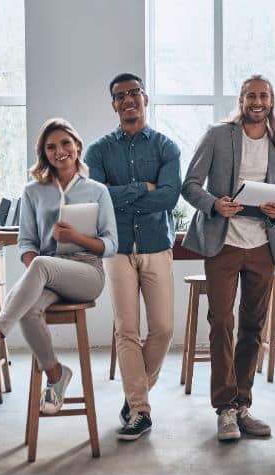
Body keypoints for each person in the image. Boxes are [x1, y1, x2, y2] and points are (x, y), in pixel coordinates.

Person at [0, 118, 118, 416]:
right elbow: (26, 243)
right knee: (27, 309)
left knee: (40, 266)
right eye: (51, 147)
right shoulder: (33, 192)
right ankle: (56, 375)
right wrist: (35, 269)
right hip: (47, 273)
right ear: (44, 154)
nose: (59, 151)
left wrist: (75, 238)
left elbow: (111, 244)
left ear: (77, 146)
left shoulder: (97, 191)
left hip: (87, 273)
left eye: (65, 143)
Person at [181, 75, 275, 442]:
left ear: (271, 101)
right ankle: (224, 408)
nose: (257, 102)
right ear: (241, 100)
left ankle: (242, 404)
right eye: (251, 96)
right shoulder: (218, 135)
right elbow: (190, 185)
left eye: (263, 96)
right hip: (224, 241)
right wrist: (215, 204)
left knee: (253, 325)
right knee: (221, 322)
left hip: (262, 244)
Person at [84, 73, 181, 441]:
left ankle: (133, 394)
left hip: (156, 245)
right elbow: (97, 199)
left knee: (163, 329)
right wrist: (144, 187)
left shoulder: (166, 147)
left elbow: (169, 197)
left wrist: (121, 194)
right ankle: (140, 410)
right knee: (126, 329)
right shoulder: (97, 151)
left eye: (134, 93)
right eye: (120, 95)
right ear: (113, 104)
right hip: (117, 247)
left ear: (145, 98)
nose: (128, 100)